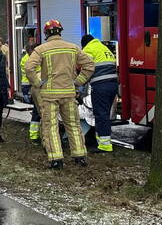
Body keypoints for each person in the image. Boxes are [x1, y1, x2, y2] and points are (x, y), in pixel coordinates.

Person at [25, 19, 95, 169]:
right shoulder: (73, 48)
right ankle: (80, 156)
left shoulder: (41, 50)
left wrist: (37, 83)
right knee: (74, 125)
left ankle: (56, 159)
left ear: (45, 34)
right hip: (69, 93)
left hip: (49, 96)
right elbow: (89, 65)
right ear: (60, 32)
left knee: (51, 126)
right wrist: (77, 82)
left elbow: (29, 68)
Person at [81, 34, 118, 153]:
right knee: (105, 114)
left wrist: (78, 84)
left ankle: (104, 145)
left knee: (101, 114)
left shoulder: (88, 50)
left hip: (101, 86)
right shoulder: (103, 48)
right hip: (113, 85)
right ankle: (104, 140)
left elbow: (86, 69)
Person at [19, 38, 41, 143]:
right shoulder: (28, 59)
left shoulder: (30, 58)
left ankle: (34, 135)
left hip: (32, 86)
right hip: (31, 86)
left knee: (37, 111)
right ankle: (34, 136)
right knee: (37, 111)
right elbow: (34, 72)